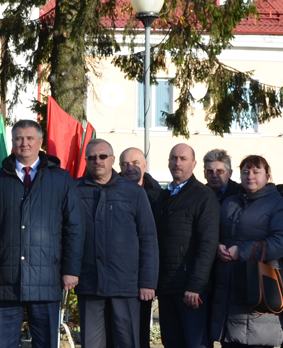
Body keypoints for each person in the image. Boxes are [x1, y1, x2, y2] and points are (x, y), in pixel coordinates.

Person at [0, 120, 84, 348]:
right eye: (19, 138)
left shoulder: (60, 179)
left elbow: (74, 227)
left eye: (30, 138)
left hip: (47, 277)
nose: (24, 143)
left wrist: (70, 269)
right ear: (12, 143)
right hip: (6, 277)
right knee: (3, 343)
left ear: (40, 142)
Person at [76, 139, 159, 348]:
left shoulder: (133, 192)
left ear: (112, 159)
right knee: (92, 344)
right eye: (92, 157)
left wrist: (148, 281)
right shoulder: (74, 190)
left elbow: (148, 238)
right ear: (86, 161)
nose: (98, 161)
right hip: (89, 283)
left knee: (126, 343)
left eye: (103, 156)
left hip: (126, 285)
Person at [211, 155, 283, 348]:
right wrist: (217, 246)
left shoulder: (279, 204)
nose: (250, 176)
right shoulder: (229, 203)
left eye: (256, 172)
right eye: (245, 172)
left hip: (260, 290)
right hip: (227, 291)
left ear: (267, 175)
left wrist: (242, 251)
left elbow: (282, 242)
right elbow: (213, 233)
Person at [155, 144, 219, 348]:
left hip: (190, 291)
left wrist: (195, 286)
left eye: (183, 158)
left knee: (195, 343)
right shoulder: (164, 197)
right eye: (173, 158)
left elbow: (207, 244)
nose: (177, 163)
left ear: (194, 163)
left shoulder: (203, 196)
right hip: (166, 287)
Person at [118, 146, 163, 348]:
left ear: (145, 165)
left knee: (140, 334)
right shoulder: (109, 191)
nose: (130, 168)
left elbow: (153, 240)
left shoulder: (160, 197)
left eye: (135, 163)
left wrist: (150, 279)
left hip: (146, 276)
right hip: (117, 276)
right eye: (125, 164)